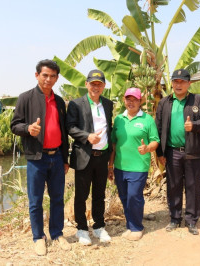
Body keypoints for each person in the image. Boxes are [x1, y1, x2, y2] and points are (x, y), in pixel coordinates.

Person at [10, 59, 70, 255]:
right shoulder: (25, 98)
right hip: (37, 158)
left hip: (57, 157)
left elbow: (64, 131)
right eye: (45, 75)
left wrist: (65, 159)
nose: (48, 79)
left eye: (53, 76)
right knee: (35, 200)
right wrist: (28, 128)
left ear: (57, 78)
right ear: (37, 75)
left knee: (57, 198)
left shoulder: (60, 101)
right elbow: (14, 125)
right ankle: (38, 237)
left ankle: (57, 233)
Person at [155, 69, 200, 235]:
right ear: (171, 83)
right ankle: (175, 218)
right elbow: (158, 128)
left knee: (193, 187)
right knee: (173, 186)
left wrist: (194, 126)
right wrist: (160, 153)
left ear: (189, 83)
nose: (178, 85)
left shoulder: (197, 100)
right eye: (175, 81)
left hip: (193, 152)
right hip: (172, 152)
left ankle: (191, 220)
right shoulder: (165, 102)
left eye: (182, 82)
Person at [66, 69, 113, 245]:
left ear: (104, 86)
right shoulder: (76, 104)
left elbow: (110, 127)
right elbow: (70, 127)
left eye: (99, 84)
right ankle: (82, 229)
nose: (96, 87)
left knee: (99, 194)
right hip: (84, 155)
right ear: (86, 84)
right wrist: (87, 136)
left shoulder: (108, 104)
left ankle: (99, 226)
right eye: (92, 84)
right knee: (81, 195)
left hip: (102, 157)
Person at [108, 88, 159, 241]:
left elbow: (155, 141)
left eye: (135, 99)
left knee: (134, 197)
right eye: (128, 99)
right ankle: (130, 225)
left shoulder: (147, 119)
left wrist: (147, 148)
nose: (131, 102)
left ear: (140, 101)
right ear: (124, 100)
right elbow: (114, 145)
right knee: (124, 197)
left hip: (138, 166)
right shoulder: (118, 119)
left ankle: (137, 227)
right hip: (120, 166)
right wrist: (110, 166)